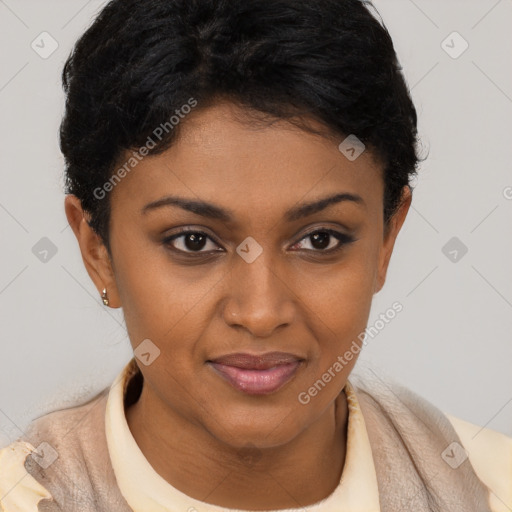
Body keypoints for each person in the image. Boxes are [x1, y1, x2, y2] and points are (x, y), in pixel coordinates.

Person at [0, 0, 510, 511]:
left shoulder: (491, 489)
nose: (261, 313)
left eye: (320, 239)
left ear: (385, 240)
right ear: (98, 252)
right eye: (193, 241)